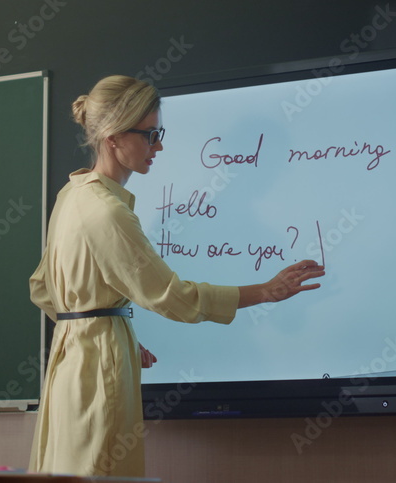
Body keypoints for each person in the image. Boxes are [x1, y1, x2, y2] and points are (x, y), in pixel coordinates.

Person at [28, 75, 325, 477]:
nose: (159, 146)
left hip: (69, 368)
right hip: (98, 374)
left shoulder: (71, 196)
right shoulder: (107, 212)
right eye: (150, 135)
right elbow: (173, 296)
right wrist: (266, 291)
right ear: (114, 137)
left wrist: (102, 331)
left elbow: (43, 290)